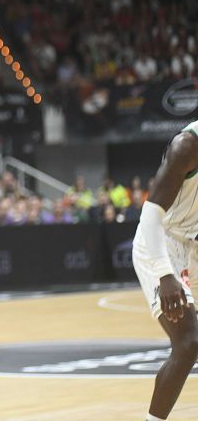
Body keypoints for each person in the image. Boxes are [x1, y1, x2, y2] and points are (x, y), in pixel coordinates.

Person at [132, 120, 198, 421]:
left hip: (193, 242)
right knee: (188, 343)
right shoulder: (187, 146)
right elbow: (150, 214)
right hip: (160, 240)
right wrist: (165, 274)